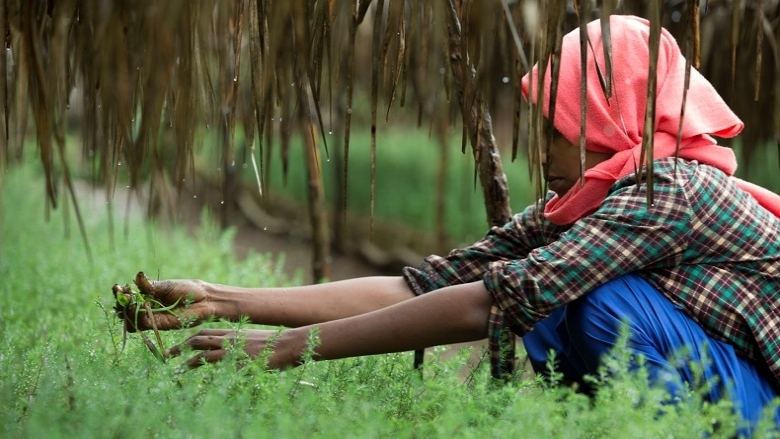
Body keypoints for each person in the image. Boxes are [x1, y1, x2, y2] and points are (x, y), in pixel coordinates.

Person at [114, 15, 780, 431]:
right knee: (557, 290)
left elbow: (496, 298)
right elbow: (426, 287)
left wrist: (288, 350)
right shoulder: (588, 205)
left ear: (611, 119)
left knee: (596, 300)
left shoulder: (666, 192)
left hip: (762, 406)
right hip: (723, 384)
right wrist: (223, 301)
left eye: (557, 128)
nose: (539, 149)